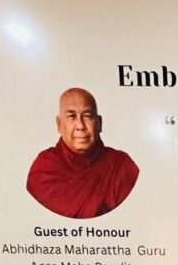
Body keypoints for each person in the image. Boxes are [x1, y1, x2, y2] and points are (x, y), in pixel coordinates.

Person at [26, 87, 139, 219]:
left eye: (87, 116)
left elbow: (131, 217)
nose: (80, 126)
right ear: (59, 124)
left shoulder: (121, 166)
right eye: (72, 116)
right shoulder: (44, 168)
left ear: (99, 123)